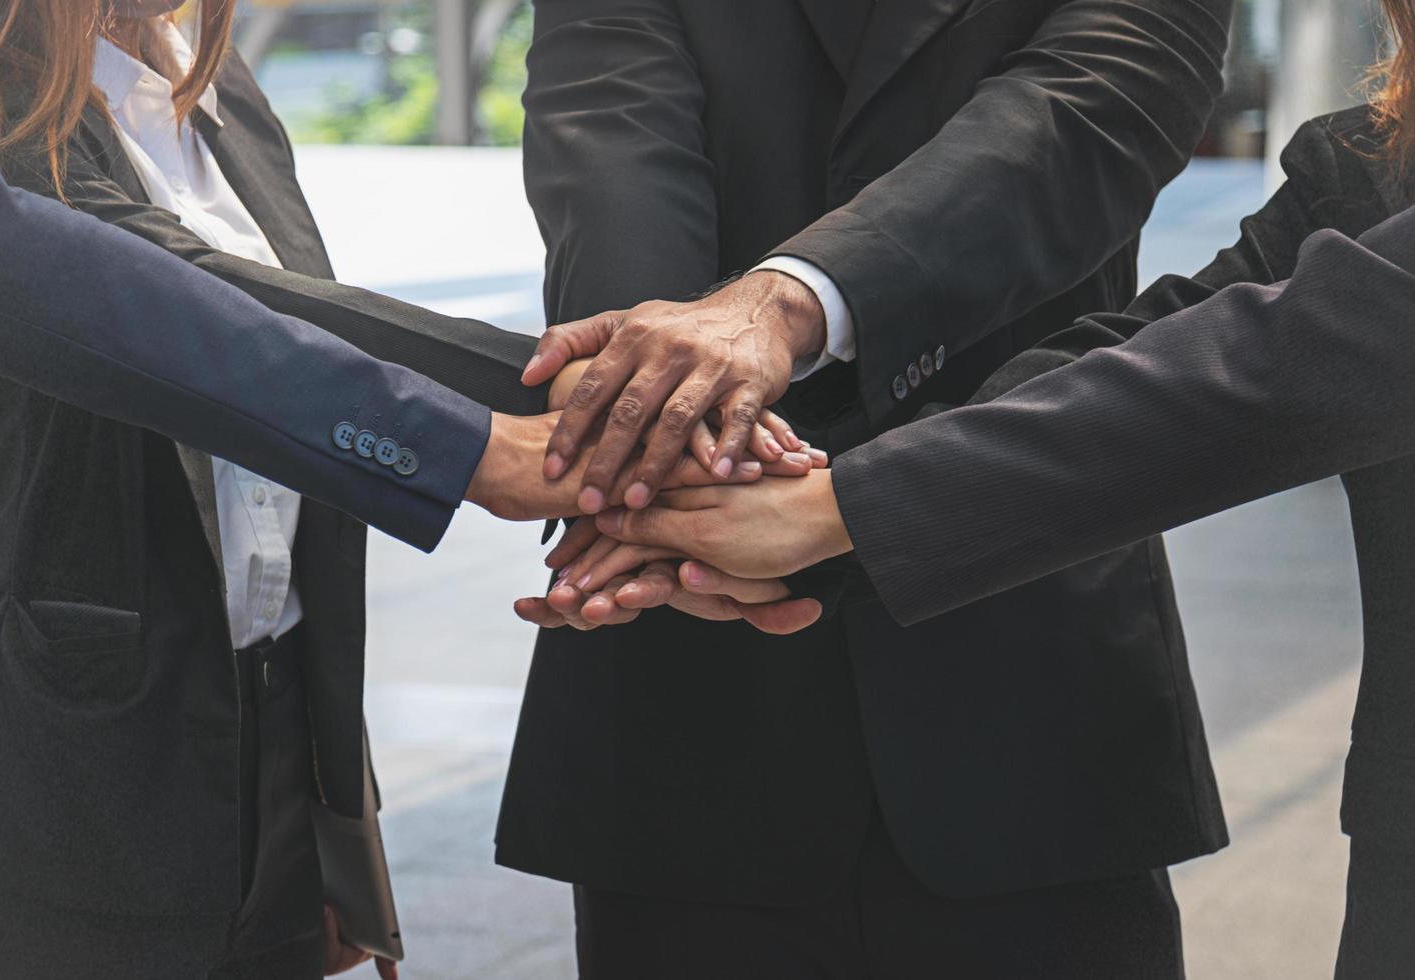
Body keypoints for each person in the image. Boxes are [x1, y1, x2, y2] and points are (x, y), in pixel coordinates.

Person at [0, 4, 807, 977]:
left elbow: (299, 400)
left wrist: (333, 821)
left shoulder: (221, 91)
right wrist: (552, 409)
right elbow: (198, 301)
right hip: (81, 769)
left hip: (270, 740)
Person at [553, 8, 1415, 973]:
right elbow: (1175, 341)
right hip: (691, 711)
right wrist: (661, 419)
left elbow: (1252, 346)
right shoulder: (1370, 158)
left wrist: (803, 446)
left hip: (1029, 693)